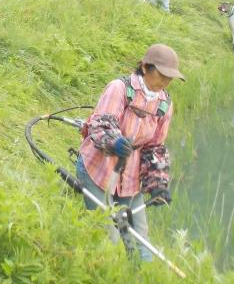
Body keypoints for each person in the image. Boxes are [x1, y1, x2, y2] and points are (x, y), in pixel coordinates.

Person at [76, 44, 184, 262]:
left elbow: (155, 146)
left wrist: (158, 185)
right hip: (99, 169)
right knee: (109, 236)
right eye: (161, 75)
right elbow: (102, 124)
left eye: (169, 78)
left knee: (139, 238)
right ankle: (106, 275)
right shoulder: (119, 88)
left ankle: (141, 279)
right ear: (145, 67)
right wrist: (115, 143)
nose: (165, 82)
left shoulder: (164, 104)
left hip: (131, 176)